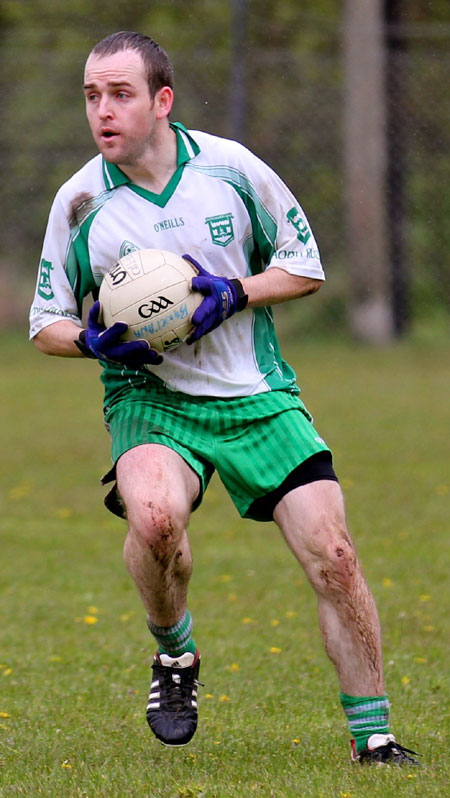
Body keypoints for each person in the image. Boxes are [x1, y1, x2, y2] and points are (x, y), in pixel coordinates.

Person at [30, 31, 419, 765]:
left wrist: (235, 293)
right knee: (154, 519)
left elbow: (304, 268)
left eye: (120, 94)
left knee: (334, 555)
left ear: (162, 101)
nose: (102, 111)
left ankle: (375, 737)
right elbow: (43, 322)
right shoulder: (81, 202)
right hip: (153, 400)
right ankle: (175, 655)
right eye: (91, 96)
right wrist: (92, 343)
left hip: (256, 394)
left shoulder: (231, 170)